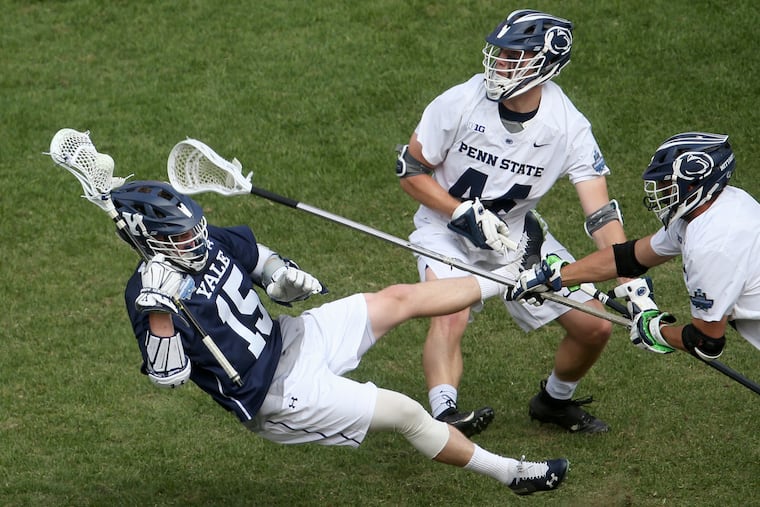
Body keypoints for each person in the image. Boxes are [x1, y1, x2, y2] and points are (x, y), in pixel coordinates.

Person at [111, 180, 569, 496]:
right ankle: (513, 474)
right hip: (276, 394)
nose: (195, 237)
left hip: (290, 336)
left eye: (193, 226)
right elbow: (169, 376)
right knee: (407, 413)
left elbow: (258, 258)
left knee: (397, 298)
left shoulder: (205, 242)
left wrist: (281, 276)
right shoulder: (146, 296)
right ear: (148, 240)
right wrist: (161, 312)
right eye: (180, 234)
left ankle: (514, 278)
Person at [396, 9, 626, 435]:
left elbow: (600, 213)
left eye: (512, 56)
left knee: (594, 326)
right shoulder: (460, 101)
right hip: (444, 229)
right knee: (450, 312)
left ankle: (553, 403)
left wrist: (628, 275)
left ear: (545, 65)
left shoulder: (568, 127)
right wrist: (460, 212)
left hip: (515, 239)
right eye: (499, 53)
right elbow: (410, 169)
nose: (498, 64)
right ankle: (445, 414)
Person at [513, 132, 760, 360]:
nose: (659, 191)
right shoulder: (719, 206)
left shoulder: (712, 246)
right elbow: (630, 258)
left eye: (666, 184)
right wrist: (556, 277)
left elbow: (706, 341)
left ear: (694, 184)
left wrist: (656, 330)